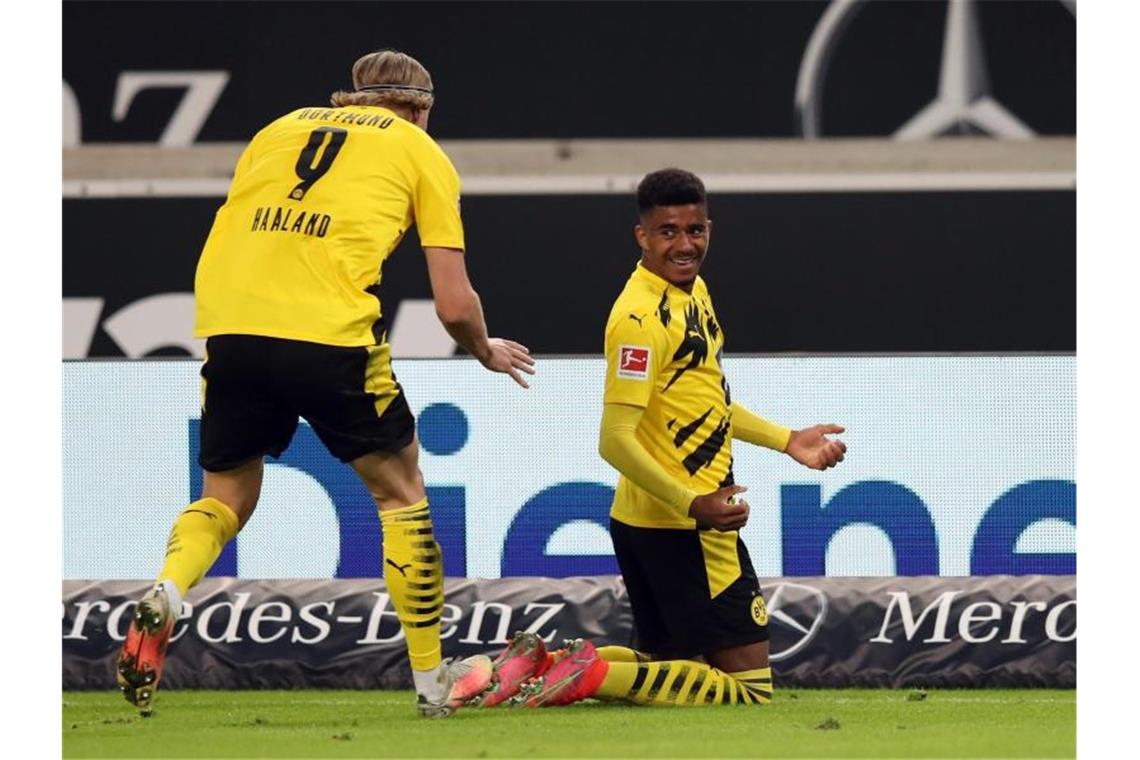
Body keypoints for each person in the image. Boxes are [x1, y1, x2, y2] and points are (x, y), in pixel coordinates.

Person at [114, 49, 535, 718]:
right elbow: (453, 306)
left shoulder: (274, 132)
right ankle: (432, 683)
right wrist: (483, 349)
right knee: (401, 493)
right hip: (328, 335)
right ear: (422, 109)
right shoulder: (422, 152)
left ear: (350, 99)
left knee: (225, 495)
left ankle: (168, 589)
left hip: (231, 328)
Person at [474, 167, 846, 708]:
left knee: (677, 669)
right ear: (642, 236)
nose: (684, 244)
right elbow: (615, 439)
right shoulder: (639, 317)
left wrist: (786, 439)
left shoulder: (693, 292)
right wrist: (692, 502)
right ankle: (589, 677)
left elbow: (702, 400)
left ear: (710, 230)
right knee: (750, 690)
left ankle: (546, 665)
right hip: (684, 523)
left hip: (655, 520)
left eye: (694, 230)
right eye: (668, 232)